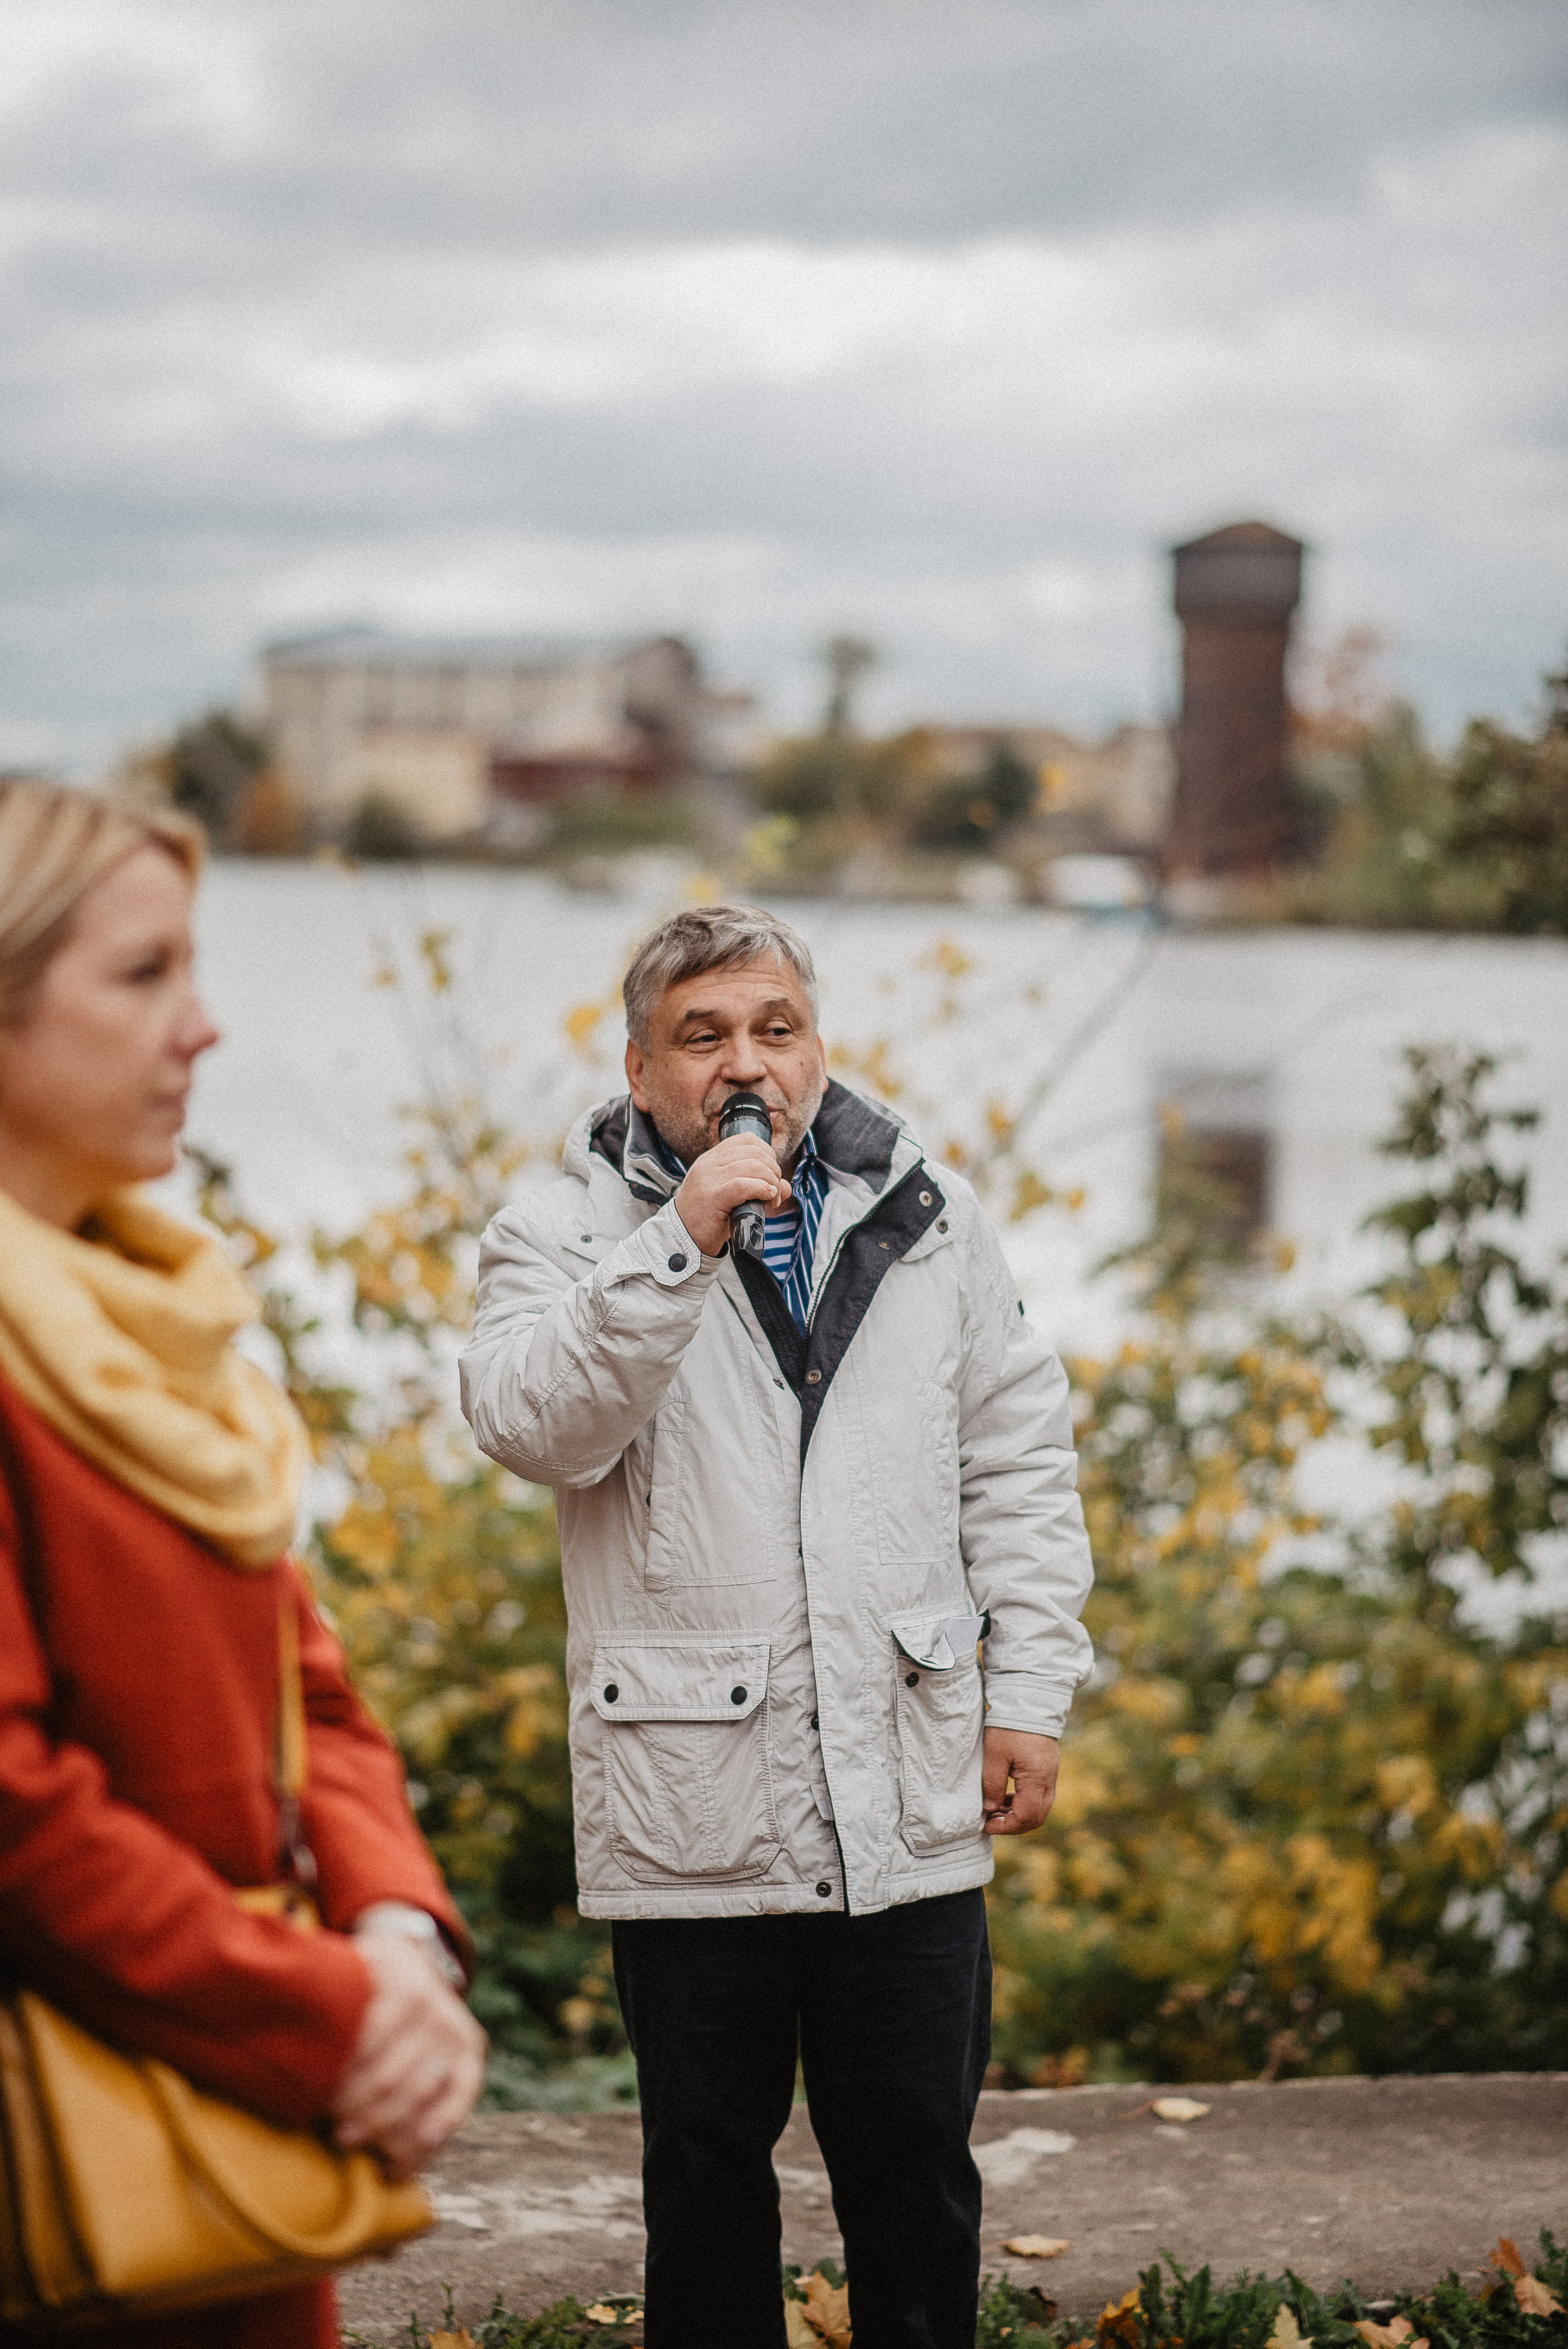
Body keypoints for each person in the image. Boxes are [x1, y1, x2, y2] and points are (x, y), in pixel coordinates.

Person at [461, 903, 1094, 2349]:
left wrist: (1032, 1692)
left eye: (772, 1029)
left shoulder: (927, 1215)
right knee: (702, 2183)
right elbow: (531, 1425)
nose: (742, 1063)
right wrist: (679, 1243)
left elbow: (1018, 1461)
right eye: (701, 1037)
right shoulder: (559, 1232)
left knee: (917, 2178)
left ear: (815, 1052)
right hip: (692, 1803)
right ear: (640, 1070)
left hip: (908, 1780)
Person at [0, 779, 486, 2349]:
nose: (202, 1028)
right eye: (142, 977)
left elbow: (311, 1697)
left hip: (238, 2149)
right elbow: (13, 1808)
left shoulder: (164, 1331)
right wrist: (327, 2026)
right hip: (66, 2153)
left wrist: (394, 1940)